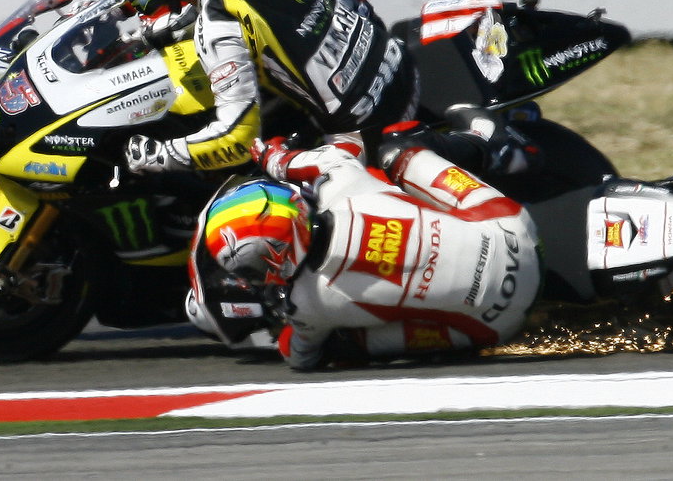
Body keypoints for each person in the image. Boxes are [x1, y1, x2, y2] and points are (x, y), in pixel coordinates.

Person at [106, 0, 416, 177]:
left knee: (258, 202)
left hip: (366, 132)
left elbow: (237, 139)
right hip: (399, 71)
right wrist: (147, 35)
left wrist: (160, 154)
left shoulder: (217, 19)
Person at [188, 136, 541, 370]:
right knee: (399, 151)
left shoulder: (308, 304)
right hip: (513, 229)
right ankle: (494, 146)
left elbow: (298, 355)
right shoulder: (342, 181)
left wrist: (280, 321)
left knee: (342, 345)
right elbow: (335, 150)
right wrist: (273, 156)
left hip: (497, 322)